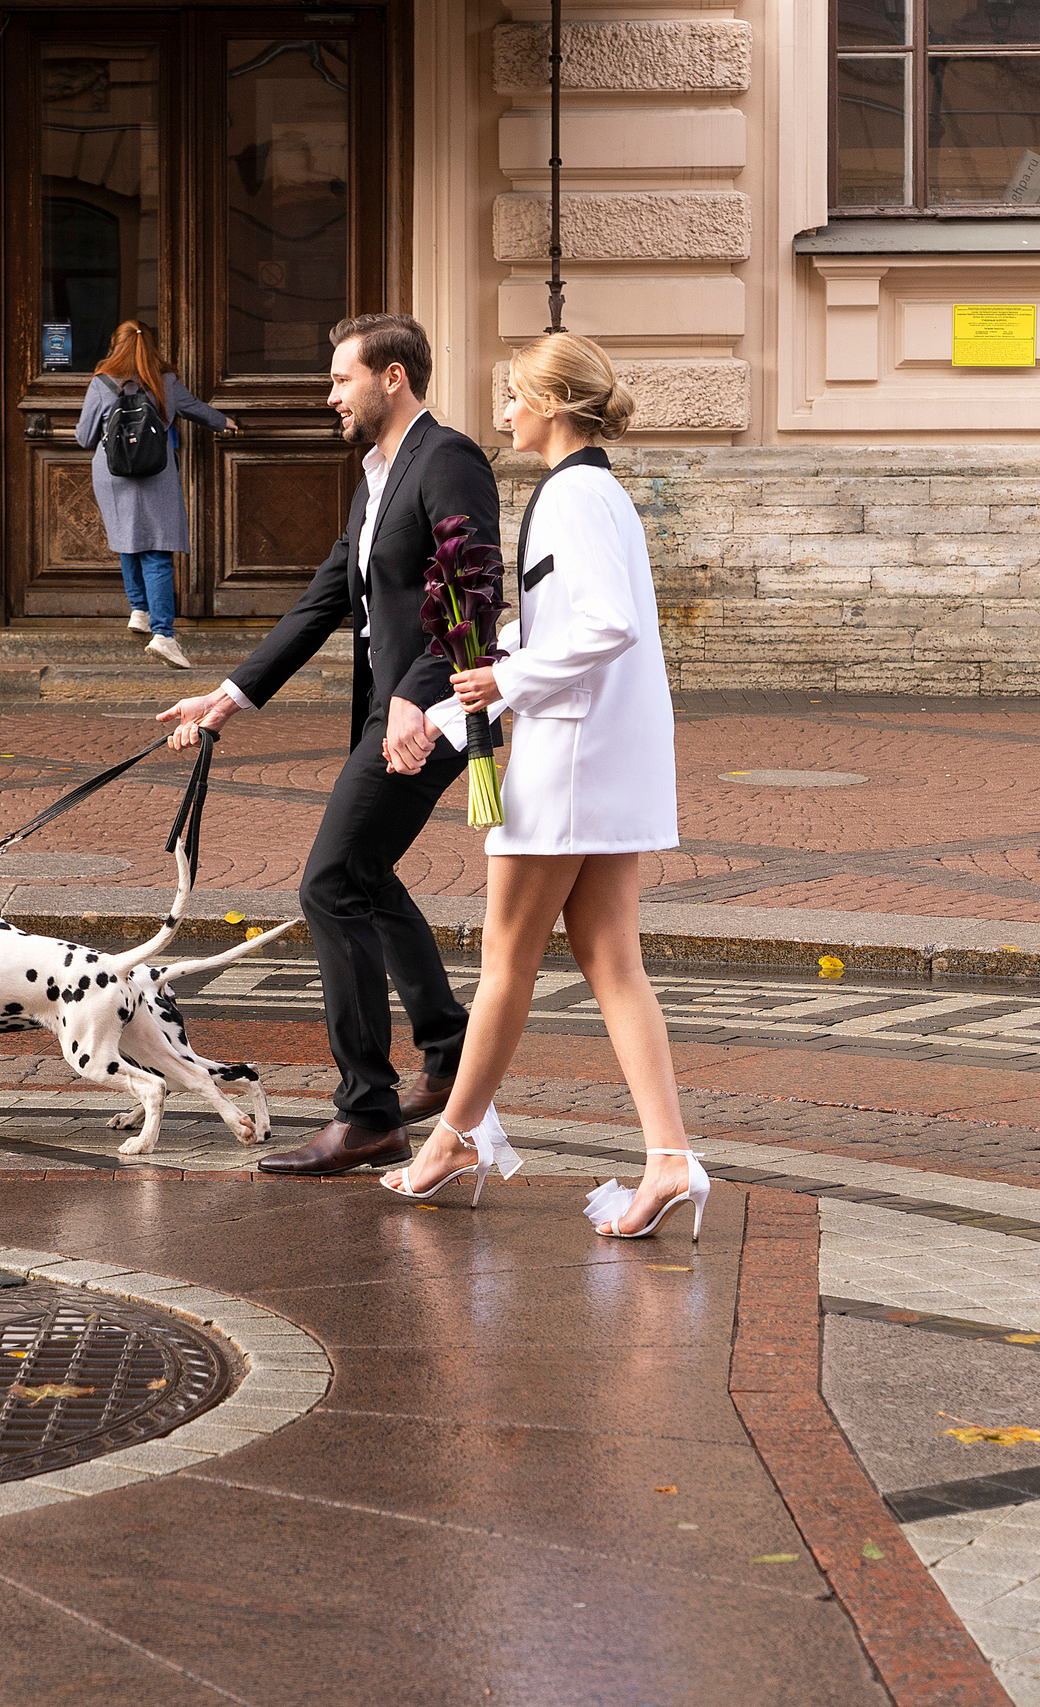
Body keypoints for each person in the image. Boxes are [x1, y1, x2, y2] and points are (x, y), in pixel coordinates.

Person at [375, 332, 702, 1240]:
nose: (503, 412)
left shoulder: (574, 495)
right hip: (597, 754)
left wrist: (500, 684)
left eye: (514, 395)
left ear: (554, 402)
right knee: (608, 958)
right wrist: (448, 712)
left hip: (570, 762)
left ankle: (453, 1139)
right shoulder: (593, 494)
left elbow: (605, 626)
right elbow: (555, 632)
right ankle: (669, 1156)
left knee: (507, 963)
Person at [159, 313, 500, 1177]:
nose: (329, 395)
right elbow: (323, 602)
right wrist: (228, 697)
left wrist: (416, 702)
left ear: (392, 377)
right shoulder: (377, 477)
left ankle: (368, 1111)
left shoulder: (448, 458)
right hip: (396, 714)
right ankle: (449, 1052)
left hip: (437, 715)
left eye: (341, 378)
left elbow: (473, 596)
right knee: (366, 877)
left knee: (328, 883)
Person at [76, 322, 237, 671]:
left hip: (113, 475)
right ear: (151, 347)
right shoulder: (165, 383)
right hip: (155, 473)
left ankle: (140, 610)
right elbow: (197, 409)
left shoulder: (101, 384)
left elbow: (85, 437)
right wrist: (224, 422)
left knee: (127, 539)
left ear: (114, 346)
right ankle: (164, 635)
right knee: (157, 551)